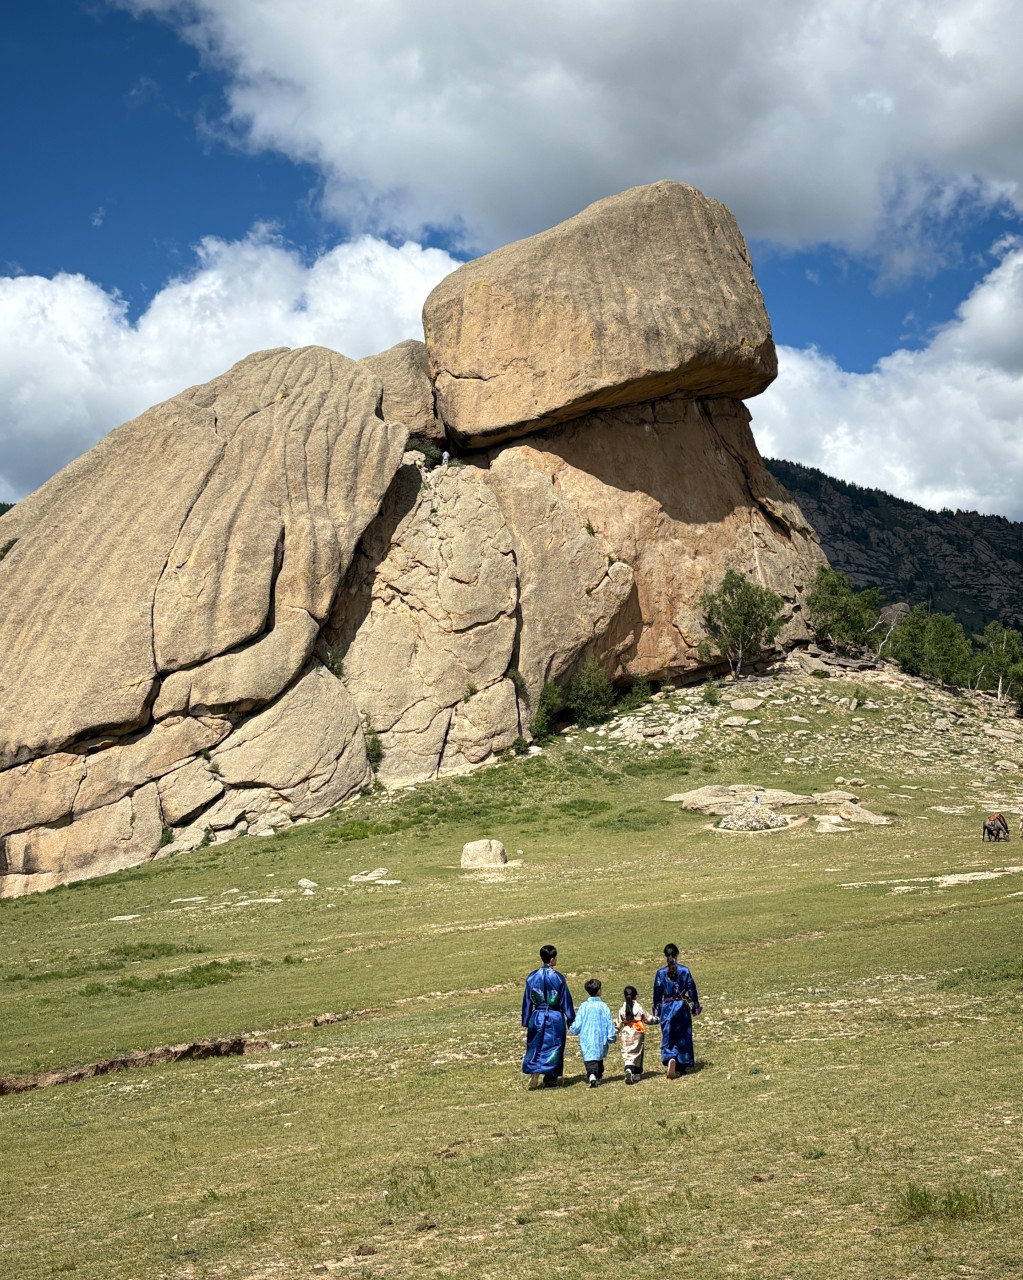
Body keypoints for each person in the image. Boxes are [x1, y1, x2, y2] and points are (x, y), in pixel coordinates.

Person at [521, 945, 575, 1089]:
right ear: (552, 959)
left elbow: (527, 1000)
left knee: (536, 1045)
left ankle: (535, 1070)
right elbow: (565, 1000)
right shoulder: (558, 978)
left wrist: (526, 1019)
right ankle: (550, 1079)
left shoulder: (532, 977)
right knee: (555, 1046)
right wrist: (571, 1019)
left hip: (537, 1015)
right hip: (554, 1015)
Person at [652, 943, 701, 1079]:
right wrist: (695, 1007)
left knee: (669, 1036)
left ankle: (670, 1058)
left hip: (667, 1009)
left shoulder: (660, 973)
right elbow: (692, 989)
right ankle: (681, 1065)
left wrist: (657, 1012)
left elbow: (657, 995)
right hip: (682, 1008)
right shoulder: (685, 971)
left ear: (665, 956)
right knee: (683, 1036)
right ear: (677, 954)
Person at [568, 978, 616, 1087]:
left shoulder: (584, 1006)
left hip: (587, 1038)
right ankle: (597, 1076)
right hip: (600, 1038)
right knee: (598, 1058)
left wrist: (573, 1029)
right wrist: (611, 1036)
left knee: (589, 1058)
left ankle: (591, 1075)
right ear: (599, 991)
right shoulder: (603, 1006)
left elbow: (578, 1022)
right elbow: (609, 1022)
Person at [615, 984, 658, 1085]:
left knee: (627, 1051)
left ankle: (628, 1068)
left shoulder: (622, 1009)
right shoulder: (639, 1008)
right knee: (638, 1051)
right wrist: (656, 1020)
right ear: (636, 996)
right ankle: (637, 1072)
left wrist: (615, 1031)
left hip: (626, 1032)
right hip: (638, 1031)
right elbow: (648, 1018)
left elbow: (618, 1022)